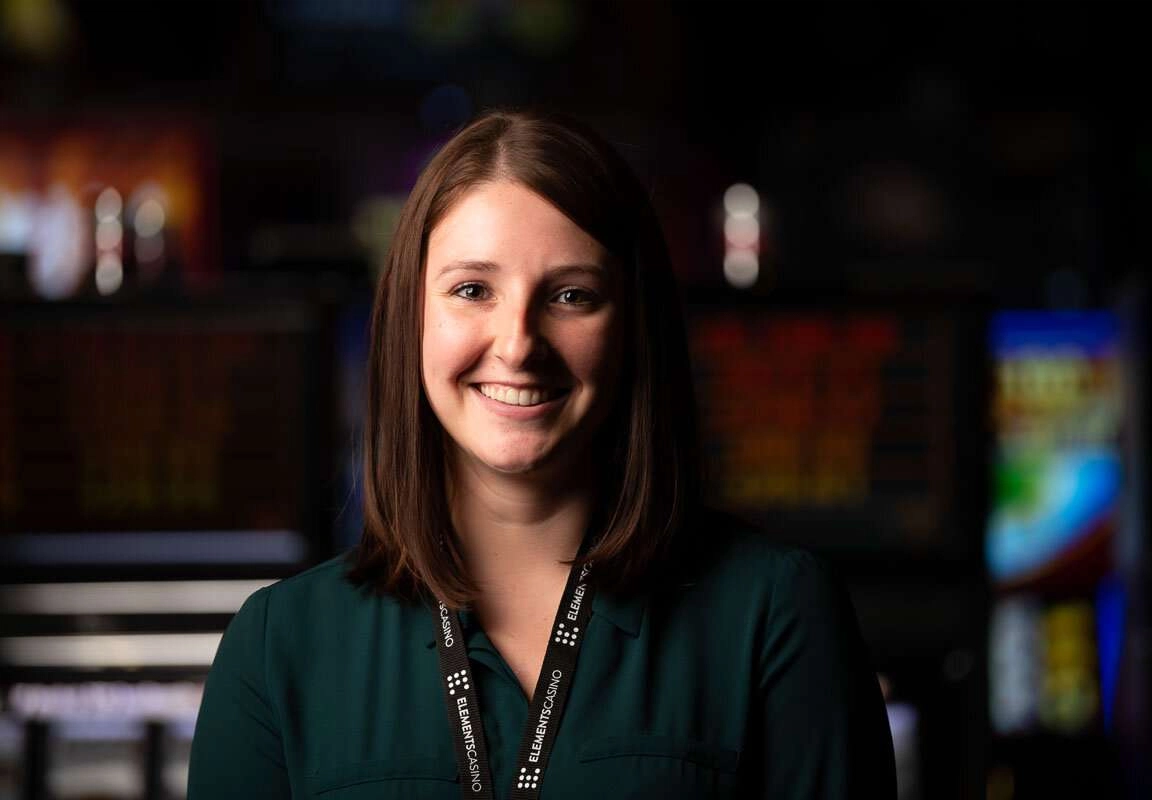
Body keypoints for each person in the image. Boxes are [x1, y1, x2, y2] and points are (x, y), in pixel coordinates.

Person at [188, 108, 897, 799]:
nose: (519, 343)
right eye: (472, 290)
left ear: (633, 329)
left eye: (570, 295)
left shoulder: (773, 616)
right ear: (411, 320)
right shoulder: (278, 647)